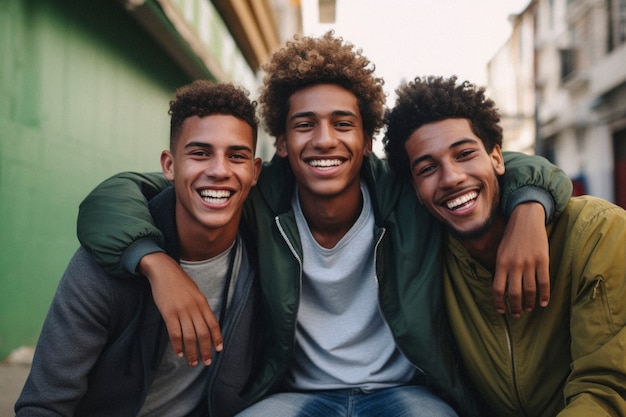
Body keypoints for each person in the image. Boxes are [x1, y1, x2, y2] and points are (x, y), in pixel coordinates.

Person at [75, 32, 573, 416]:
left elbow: (512, 167)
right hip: (295, 396)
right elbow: (113, 197)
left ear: (366, 138)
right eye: (304, 124)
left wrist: (529, 209)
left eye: (342, 123)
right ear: (283, 142)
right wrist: (158, 266)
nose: (324, 139)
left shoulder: (404, 190)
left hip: (405, 393)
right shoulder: (255, 191)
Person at [15, 80, 265, 417]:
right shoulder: (103, 266)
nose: (219, 170)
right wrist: (156, 265)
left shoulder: (269, 250)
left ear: (255, 171)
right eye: (200, 153)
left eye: (236, 156)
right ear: (169, 166)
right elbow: (44, 405)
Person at [383, 75, 626, 416]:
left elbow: (608, 390)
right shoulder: (425, 256)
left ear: (497, 158)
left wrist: (529, 208)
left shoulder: (596, 232)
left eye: (465, 154)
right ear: (415, 192)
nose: (451, 177)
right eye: (427, 169)